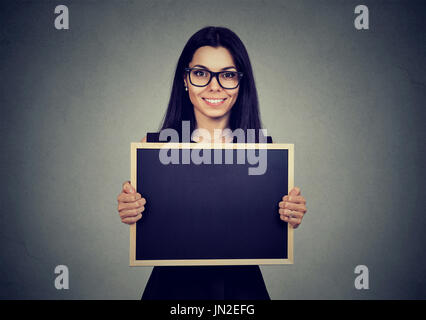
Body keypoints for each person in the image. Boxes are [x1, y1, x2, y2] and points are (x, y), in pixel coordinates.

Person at [116, 26, 307, 299]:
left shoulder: (264, 151)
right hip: (172, 290)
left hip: (242, 291)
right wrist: (131, 209)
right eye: (201, 73)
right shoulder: (154, 146)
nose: (214, 85)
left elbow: (267, 228)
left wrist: (289, 214)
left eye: (228, 75)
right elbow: (149, 221)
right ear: (185, 79)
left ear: (241, 83)